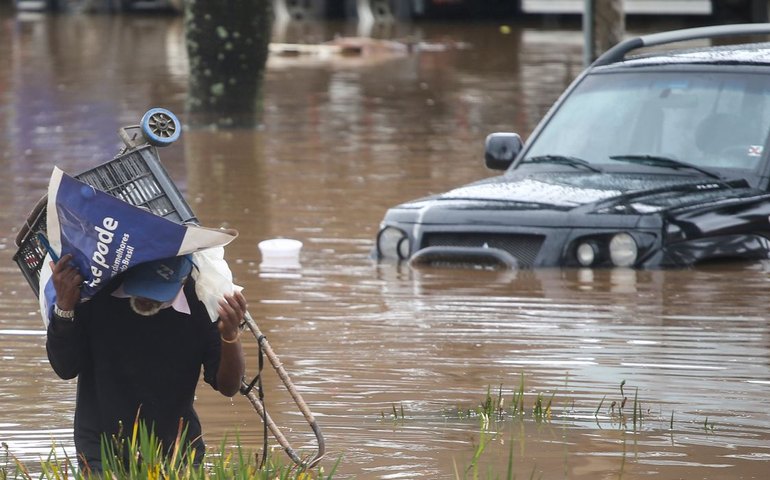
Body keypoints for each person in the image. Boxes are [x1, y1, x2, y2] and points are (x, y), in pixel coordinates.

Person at [45, 253, 247, 472]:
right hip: (101, 451)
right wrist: (64, 308)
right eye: (141, 288)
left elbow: (229, 387)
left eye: (159, 292)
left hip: (177, 450)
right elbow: (65, 368)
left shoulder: (201, 302)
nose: (147, 299)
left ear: (182, 281)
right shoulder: (95, 293)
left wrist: (230, 335)